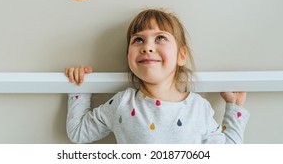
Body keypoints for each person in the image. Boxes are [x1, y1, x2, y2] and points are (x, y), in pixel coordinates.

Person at [65, 8, 249, 144]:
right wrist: (80, 85)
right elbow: (78, 133)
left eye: (160, 38)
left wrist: (235, 107)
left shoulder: (198, 109)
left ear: (181, 55)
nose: (147, 47)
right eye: (138, 40)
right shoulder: (123, 103)